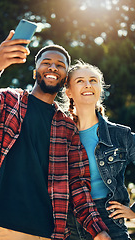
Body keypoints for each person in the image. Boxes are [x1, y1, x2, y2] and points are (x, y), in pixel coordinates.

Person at [0, 31, 111, 240]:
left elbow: (78, 185)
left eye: (60, 65)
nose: (53, 67)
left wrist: (98, 230)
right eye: (46, 62)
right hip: (9, 226)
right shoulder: (11, 102)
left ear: (65, 79)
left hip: (52, 232)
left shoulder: (68, 128)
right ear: (35, 71)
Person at [65, 59, 135, 240]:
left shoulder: (120, 135)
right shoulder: (59, 135)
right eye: (80, 80)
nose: (88, 84)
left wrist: (133, 212)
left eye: (93, 80)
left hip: (110, 221)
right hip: (68, 224)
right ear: (69, 92)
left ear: (100, 90)